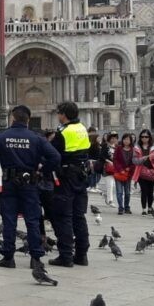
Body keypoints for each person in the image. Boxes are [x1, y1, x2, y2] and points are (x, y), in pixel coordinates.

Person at [0, 106, 60, 269]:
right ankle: (35, 258)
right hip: (29, 182)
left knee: (9, 220)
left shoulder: (2, 137)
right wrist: (41, 169)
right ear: (28, 120)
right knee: (33, 220)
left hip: (9, 182)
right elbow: (55, 157)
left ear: (13, 118)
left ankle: (8, 257)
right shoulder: (36, 138)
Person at [49, 102, 93, 267]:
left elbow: (53, 154)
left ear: (64, 114)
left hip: (67, 176)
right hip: (81, 175)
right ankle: (82, 254)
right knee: (79, 216)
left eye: (58, 113)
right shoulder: (82, 128)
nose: (58, 116)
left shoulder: (64, 132)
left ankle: (66, 255)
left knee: (64, 216)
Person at [133, 129, 154, 217]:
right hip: (141, 172)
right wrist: (142, 159)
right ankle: (144, 209)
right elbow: (134, 161)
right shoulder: (137, 147)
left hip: (152, 171)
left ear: (149, 137)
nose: (144, 138)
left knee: (150, 191)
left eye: (146, 137)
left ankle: (150, 208)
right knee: (144, 190)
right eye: (142, 137)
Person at [112, 133, 136, 215]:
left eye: (128, 139)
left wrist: (130, 168)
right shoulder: (118, 148)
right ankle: (120, 208)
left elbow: (135, 161)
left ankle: (127, 207)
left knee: (127, 192)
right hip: (119, 173)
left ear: (131, 141)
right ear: (122, 140)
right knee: (119, 192)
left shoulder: (133, 149)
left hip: (128, 174)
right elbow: (115, 160)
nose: (126, 141)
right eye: (125, 139)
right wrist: (120, 169)